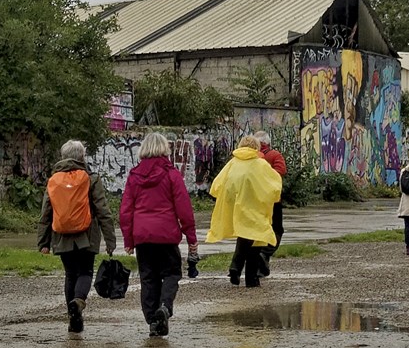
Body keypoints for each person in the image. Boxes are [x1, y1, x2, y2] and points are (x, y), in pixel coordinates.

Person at [119, 131, 200, 336]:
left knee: (148, 278)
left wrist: (129, 240)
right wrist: (191, 238)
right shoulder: (172, 174)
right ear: (164, 149)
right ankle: (164, 306)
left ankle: (152, 320)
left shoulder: (134, 176)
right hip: (166, 235)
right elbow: (184, 210)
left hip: (143, 237)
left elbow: (126, 210)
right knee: (172, 273)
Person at [36, 138, 120, 333]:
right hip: (87, 236)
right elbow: (102, 210)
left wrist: (43, 242)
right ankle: (79, 301)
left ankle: (73, 318)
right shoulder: (91, 178)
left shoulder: (54, 180)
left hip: (61, 236)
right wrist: (110, 239)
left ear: (63, 157)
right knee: (85, 272)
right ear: (82, 156)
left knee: (70, 274)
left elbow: (45, 213)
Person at [209, 138, 283, 287]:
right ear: (257, 147)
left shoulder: (232, 163)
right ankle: (251, 278)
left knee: (244, 236)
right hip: (255, 207)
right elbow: (274, 184)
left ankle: (236, 268)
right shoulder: (260, 164)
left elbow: (216, 185)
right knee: (256, 239)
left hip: (237, 206)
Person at [258, 132, 289, 251]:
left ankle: (258, 251)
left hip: (255, 198)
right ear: (268, 143)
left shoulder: (252, 157)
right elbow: (281, 170)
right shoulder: (275, 155)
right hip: (273, 198)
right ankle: (266, 252)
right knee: (277, 228)